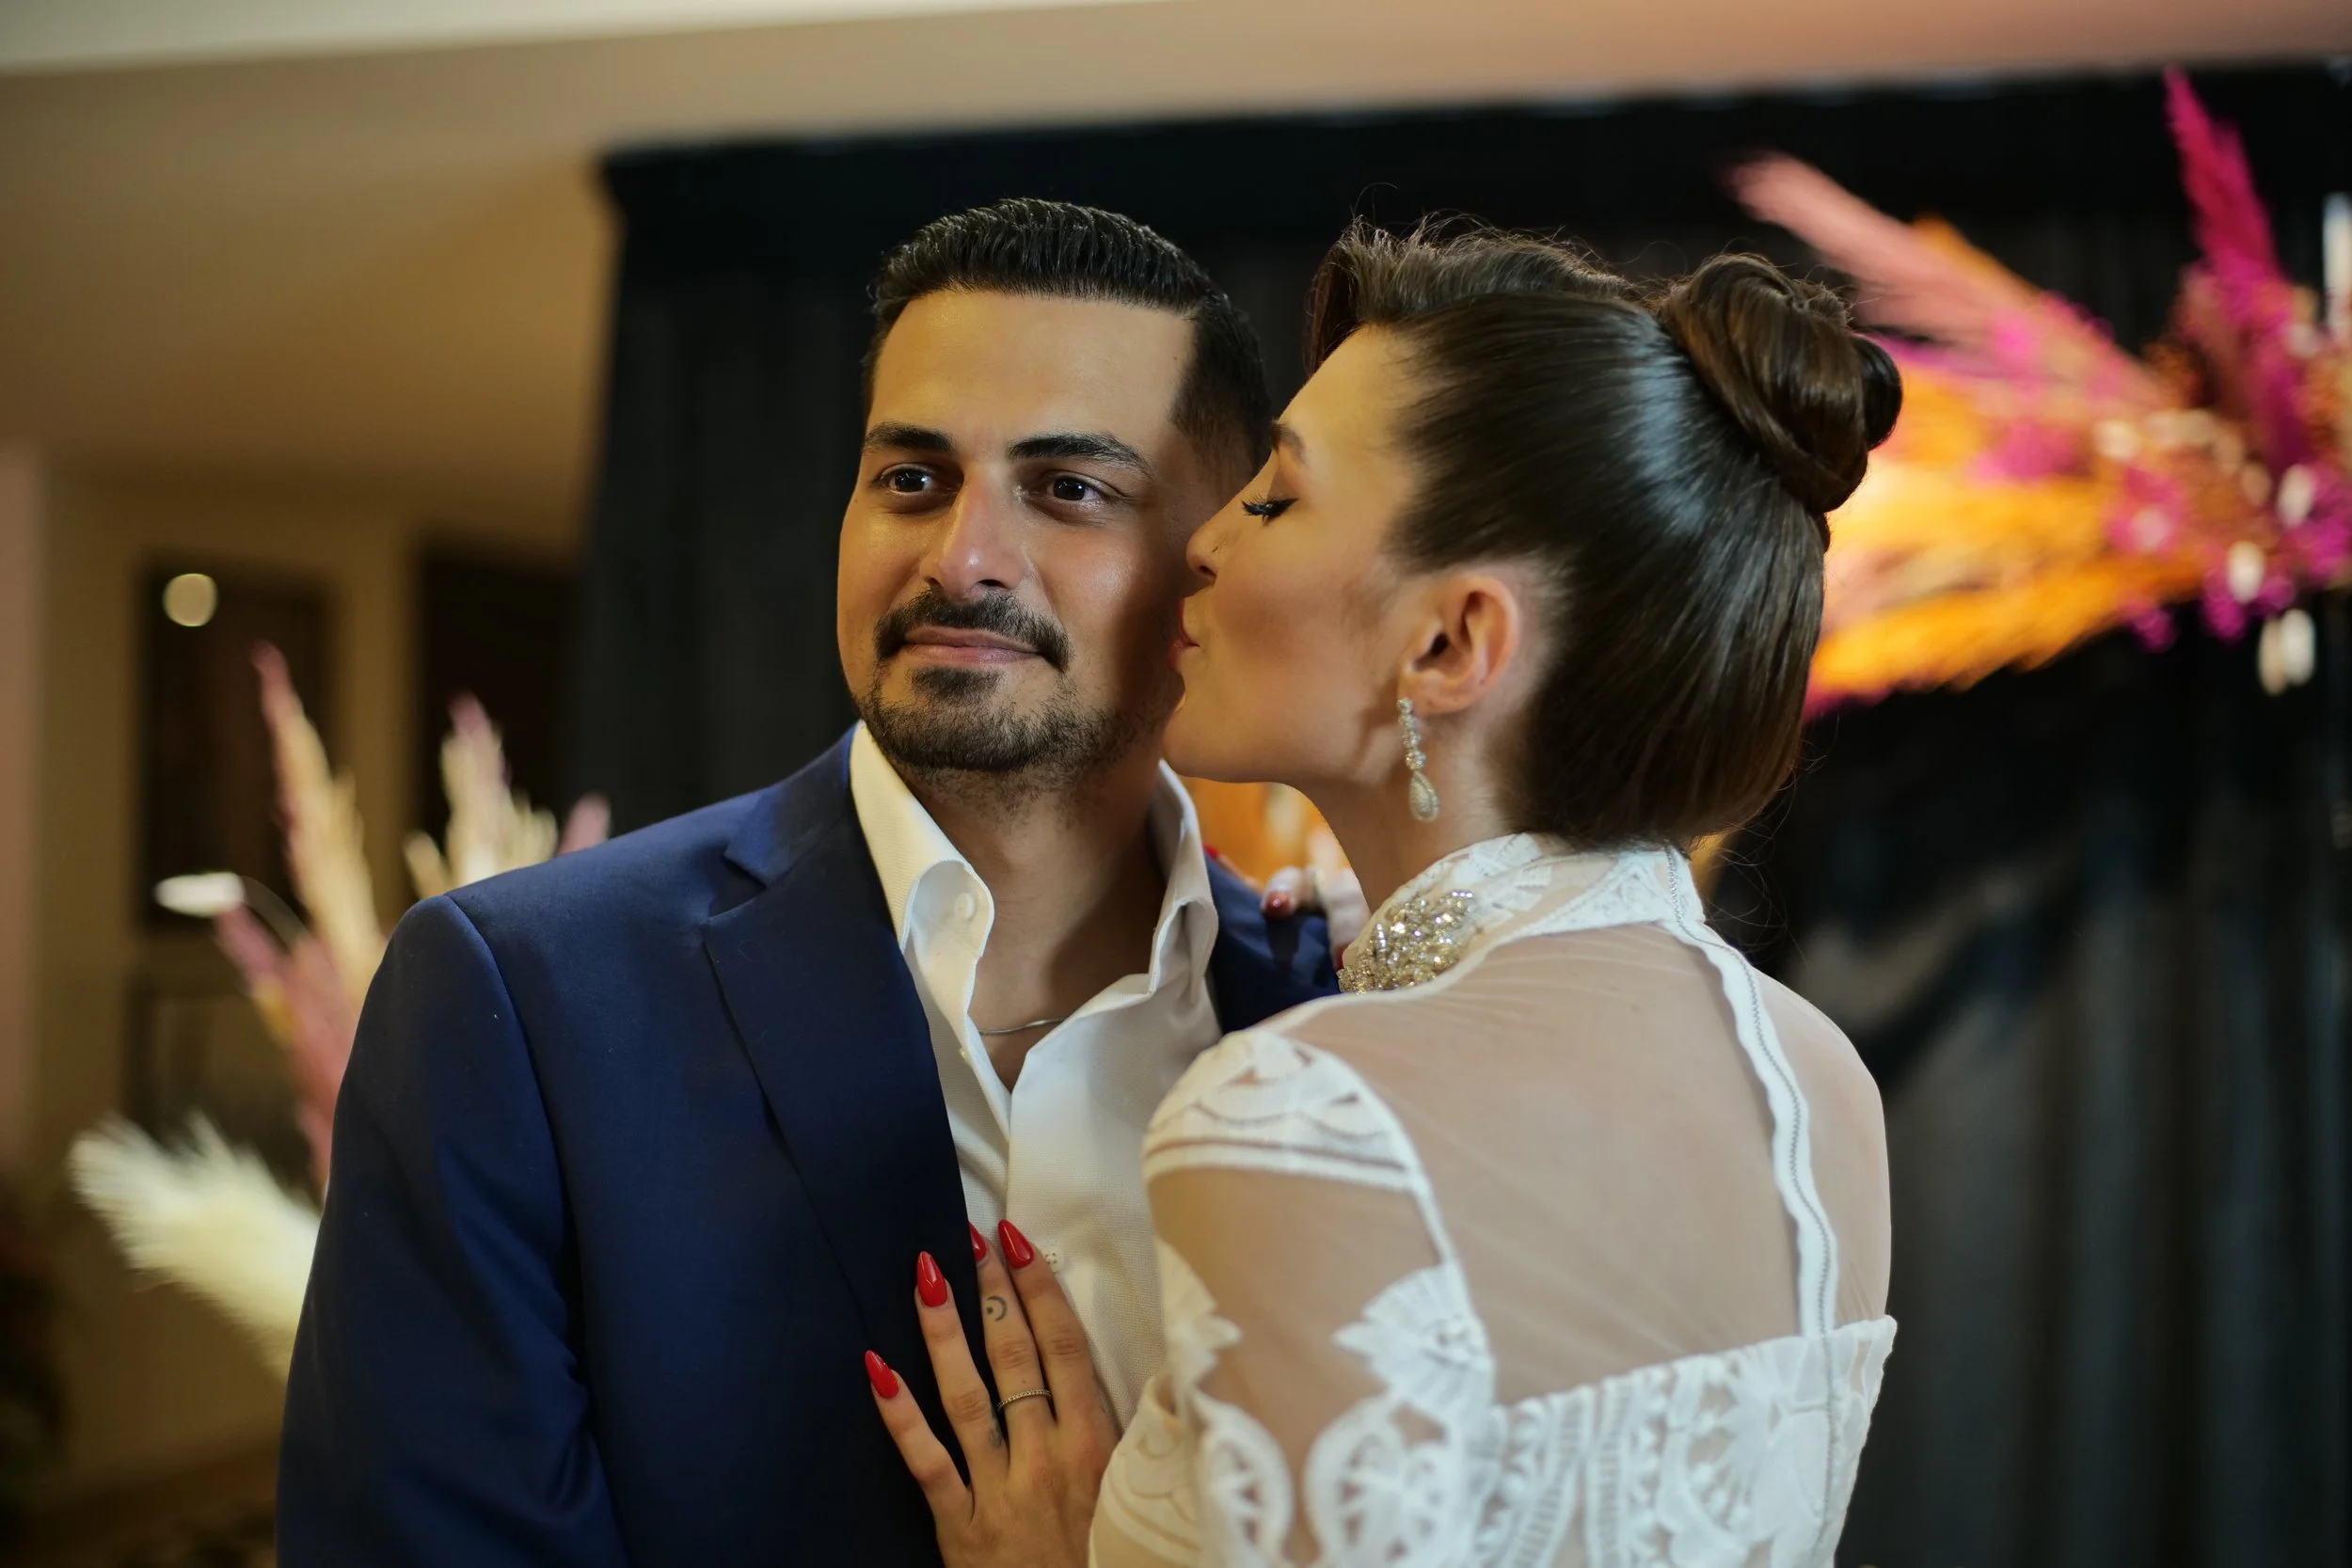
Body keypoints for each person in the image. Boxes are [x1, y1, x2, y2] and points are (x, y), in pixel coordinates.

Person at [276, 199, 1339, 1567]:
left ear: (1214, 558)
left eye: (1069, 488)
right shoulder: (525, 1003)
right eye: (913, 478)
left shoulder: (1339, 1016)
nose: (960, 555)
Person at [863, 223, 1901, 1567]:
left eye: (1275, 499)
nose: (1203, 543)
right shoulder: (1817, 1083)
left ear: (1451, 643)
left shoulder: (1301, 1110)